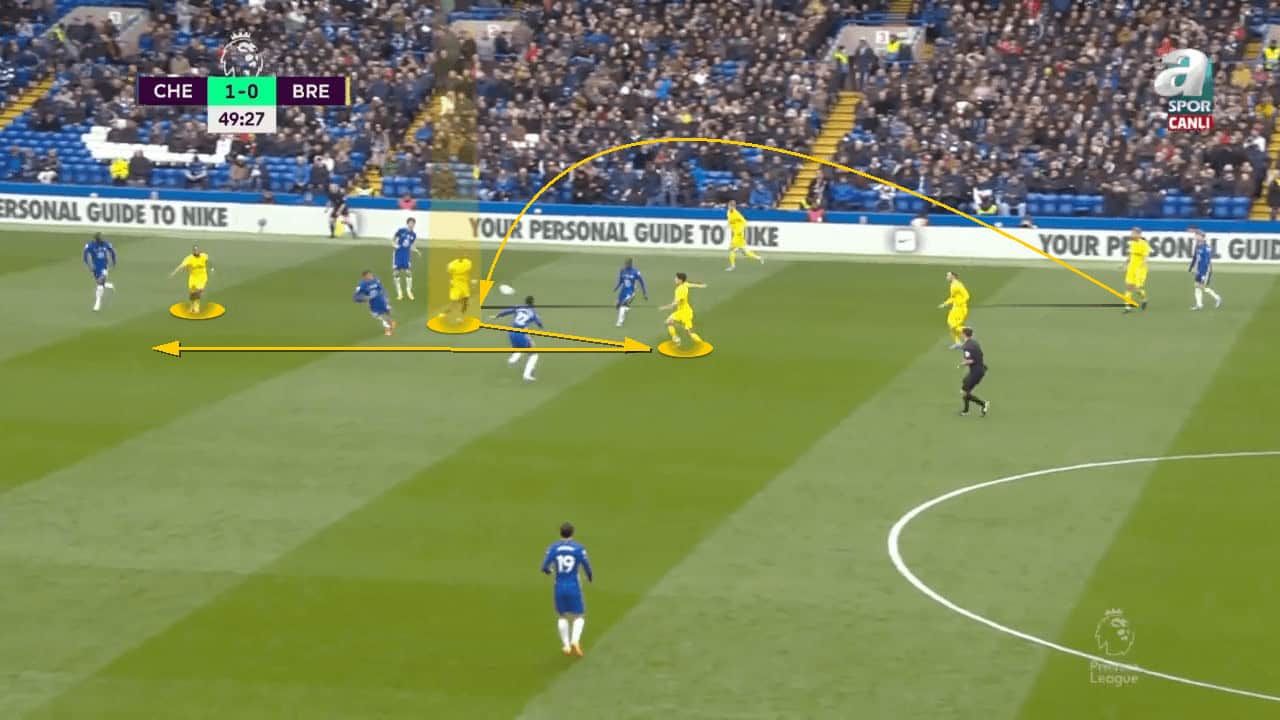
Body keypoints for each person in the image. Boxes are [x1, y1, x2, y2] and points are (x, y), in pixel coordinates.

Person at [540, 521, 593, 657]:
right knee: (579, 616)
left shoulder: (553, 548)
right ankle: (575, 640)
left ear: (560, 533)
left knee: (562, 616)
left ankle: (566, 645)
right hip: (573, 586)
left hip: (559, 586)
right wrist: (589, 576)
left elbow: (544, 567)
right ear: (572, 533)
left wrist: (549, 571)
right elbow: (586, 564)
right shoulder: (578, 548)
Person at [493, 296, 544, 382]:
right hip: (520, 334)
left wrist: (497, 316)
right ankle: (525, 373)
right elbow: (539, 324)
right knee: (533, 354)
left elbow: (507, 311)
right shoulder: (533, 313)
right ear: (533, 303)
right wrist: (540, 324)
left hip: (511, 332)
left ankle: (516, 360)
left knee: (523, 348)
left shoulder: (519, 307)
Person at [660, 272, 707, 347]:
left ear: (680, 280)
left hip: (685, 313)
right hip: (681, 311)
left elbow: (675, 303)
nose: (675, 279)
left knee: (690, 332)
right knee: (669, 322)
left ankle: (702, 345)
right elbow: (692, 284)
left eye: (676, 278)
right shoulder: (685, 284)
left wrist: (665, 307)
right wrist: (701, 285)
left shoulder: (680, 290)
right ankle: (676, 339)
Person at [169, 244, 211, 314]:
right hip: (193, 278)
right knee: (192, 294)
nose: (196, 251)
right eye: (195, 250)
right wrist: (174, 272)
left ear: (200, 250)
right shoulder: (189, 258)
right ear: (193, 251)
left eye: (197, 250)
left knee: (199, 291)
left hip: (202, 277)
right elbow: (181, 266)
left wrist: (209, 268)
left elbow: (207, 261)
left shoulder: (204, 256)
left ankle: (196, 306)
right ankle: (192, 305)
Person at [1188, 227, 1223, 310]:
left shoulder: (1206, 247)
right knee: (1197, 285)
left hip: (1205, 270)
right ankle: (1199, 305)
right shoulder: (1197, 246)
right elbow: (1195, 257)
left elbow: (1206, 261)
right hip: (1199, 269)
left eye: (1197, 235)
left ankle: (1217, 298)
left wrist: (1202, 272)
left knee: (1201, 286)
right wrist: (1191, 267)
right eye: (1195, 235)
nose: (1195, 236)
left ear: (1202, 237)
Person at [957, 327, 989, 417]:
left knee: (964, 391)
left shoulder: (967, 346)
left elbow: (970, 360)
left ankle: (983, 404)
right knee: (965, 384)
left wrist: (962, 364)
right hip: (979, 369)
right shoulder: (974, 342)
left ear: (964, 334)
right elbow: (980, 354)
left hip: (976, 372)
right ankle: (966, 411)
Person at [353, 270, 396, 336]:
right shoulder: (361, 285)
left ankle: (390, 325)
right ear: (364, 277)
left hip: (381, 300)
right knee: (380, 316)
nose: (371, 277)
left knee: (387, 313)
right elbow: (355, 297)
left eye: (371, 275)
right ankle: (388, 328)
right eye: (369, 276)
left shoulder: (376, 280)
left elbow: (382, 288)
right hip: (373, 303)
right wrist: (365, 298)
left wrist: (386, 297)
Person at [82, 232, 116, 312]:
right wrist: (89, 265)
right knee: (99, 282)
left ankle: (97, 303)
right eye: (100, 238)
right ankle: (108, 285)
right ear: (96, 238)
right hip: (95, 267)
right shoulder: (90, 245)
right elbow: (85, 255)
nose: (102, 239)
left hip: (104, 266)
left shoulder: (106, 244)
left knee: (100, 283)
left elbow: (112, 252)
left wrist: (113, 262)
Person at [725, 201, 763, 271]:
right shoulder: (728, 212)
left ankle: (733, 266)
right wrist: (728, 225)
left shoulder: (737, 213)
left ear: (734, 207)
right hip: (736, 234)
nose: (730, 207)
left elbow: (745, 222)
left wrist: (740, 230)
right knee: (746, 252)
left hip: (738, 234)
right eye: (729, 206)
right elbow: (729, 220)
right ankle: (759, 258)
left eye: (731, 206)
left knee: (731, 249)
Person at [938, 271, 970, 349]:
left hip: (960, 308)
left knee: (953, 325)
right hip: (956, 308)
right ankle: (958, 342)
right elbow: (953, 298)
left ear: (953, 276)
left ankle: (967, 331)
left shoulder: (958, 285)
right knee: (951, 324)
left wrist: (960, 303)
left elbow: (967, 296)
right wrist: (945, 304)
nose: (947, 277)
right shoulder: (952, 285)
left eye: (948, 275)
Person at [1122, 227, 1151, 312]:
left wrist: (1143, 264)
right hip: (1131, 267)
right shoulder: (1132, 243)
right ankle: (1127, 306)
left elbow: (1145, 257)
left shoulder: (1144, 244)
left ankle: (1144, 298)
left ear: (1138, 234)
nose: (1131, 235)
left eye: (1133, 233)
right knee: (1128, 286)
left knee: (1136, 288)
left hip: (1140, 269)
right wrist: (1124, 264)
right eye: (1131, 233)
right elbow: (1130, 255)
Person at [391, 218, 420, 301]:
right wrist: (394, 245)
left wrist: (416, 250)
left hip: (406, 255)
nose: (412, 225)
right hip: (398, 254)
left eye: (413, 223)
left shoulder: (413, 235)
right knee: (396, 273)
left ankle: (409, 291)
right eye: (410, 223)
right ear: (407, 223)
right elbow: (393, 239)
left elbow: (411, 246)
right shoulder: (401, 231)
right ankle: (399, 293)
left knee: (408, 272)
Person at [613, 258, 648, 327]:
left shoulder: (636, 272)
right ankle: (627, 308)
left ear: (630, 264)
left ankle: (619, 322)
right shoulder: (622, 270)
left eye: (627, 264)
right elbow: (621, 280)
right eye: (625, 264)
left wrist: (644, 293)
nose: (626, 265)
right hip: (623, 292)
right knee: (618, 306)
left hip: (631, 292)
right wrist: (616, 287)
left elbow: (642, 282)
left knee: (623, 305)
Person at [441, 256, 473, 323]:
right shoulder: (452, 264)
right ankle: (445, 313)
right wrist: (450, 280)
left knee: (465, 302)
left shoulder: (468, 263)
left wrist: (471, 280)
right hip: (456, 285)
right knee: (454, 301)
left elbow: (469, 272)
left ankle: (461, 317)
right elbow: (447, 272)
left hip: (464, 285)